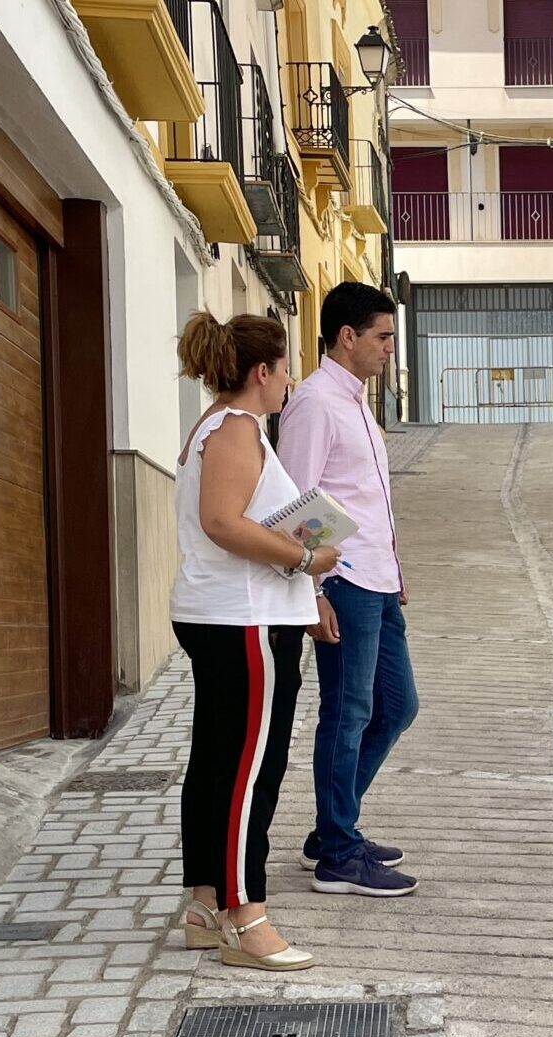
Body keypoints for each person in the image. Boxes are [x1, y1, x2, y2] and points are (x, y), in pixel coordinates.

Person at [170, 311, 343, 970]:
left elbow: (230, 519)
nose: (290, 381)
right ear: (262, 371)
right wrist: (304, 559)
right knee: (250, 770)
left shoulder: (216, 425)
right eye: (286, 368)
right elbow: (221, 521)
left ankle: (206, 905)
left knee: (217, 762)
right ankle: (247, 918)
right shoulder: (238, 428)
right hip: (243, 621)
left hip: (228, 614)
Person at [280, 282, 420, 897]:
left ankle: (330, 830)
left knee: (397, 706)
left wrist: (395, 571)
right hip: (343, 583)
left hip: (378, 581)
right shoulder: (315, 403)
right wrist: (312, 591)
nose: (390, 348)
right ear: (347, 336)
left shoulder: (357, 402)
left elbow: (365, 499)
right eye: (383, 337)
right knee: (346, 713)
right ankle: (338, 853)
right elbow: (296, 505)